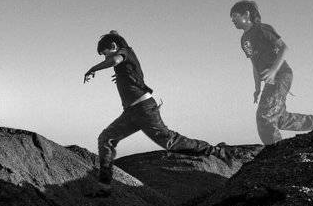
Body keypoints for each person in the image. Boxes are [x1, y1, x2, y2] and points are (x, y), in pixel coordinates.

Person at [82, 31, 221, 184]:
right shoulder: (124, 63)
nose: (105, 58)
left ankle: (214, 151)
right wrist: (123, 77)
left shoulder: (124, 52)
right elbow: (124, 67)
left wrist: (93, 68)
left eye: (105, 54)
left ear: (114, 46)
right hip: (131, 113)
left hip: (144, 109)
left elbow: (114, 60)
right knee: (106, 138)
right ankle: (104, 182)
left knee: (169, 142)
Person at [229, 0, 313, 144]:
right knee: (280, 119)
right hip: (270, 81)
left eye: (235, 16)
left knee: (265, 118)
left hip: (282, 75)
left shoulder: (263, 29)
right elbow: (254, 64)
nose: (232, 20)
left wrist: (273, 70)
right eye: (231, 18)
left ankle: (276, 153)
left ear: (246, 14)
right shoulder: (244, 40)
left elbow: (284, 48)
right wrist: (257, 87)